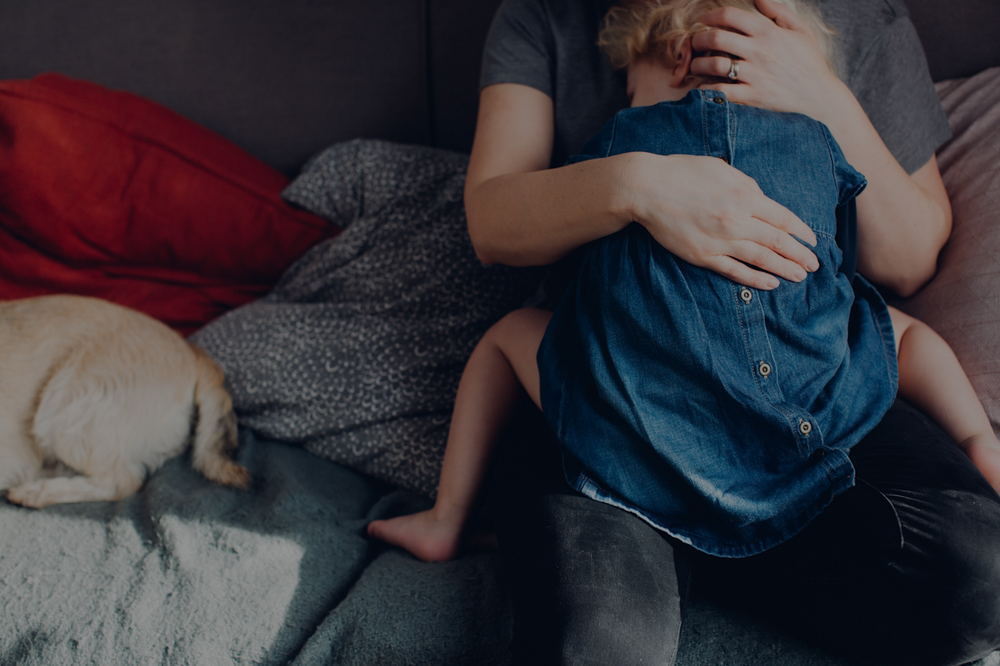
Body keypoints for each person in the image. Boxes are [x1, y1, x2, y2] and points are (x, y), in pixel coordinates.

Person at [392, 0, 1000, 664]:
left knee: (982, 581)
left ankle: (699, 542)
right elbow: (493, 224)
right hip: (617, 407)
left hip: (806, 393)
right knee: (590, 645)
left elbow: (907, 266)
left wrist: (824, 96)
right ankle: (697, 540)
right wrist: (638, 186)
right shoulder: (544, 16)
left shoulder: (861, 22)